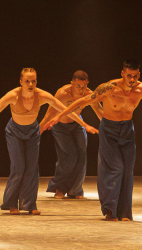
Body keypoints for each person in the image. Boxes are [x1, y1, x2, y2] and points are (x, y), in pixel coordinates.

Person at [42, 60, 142, 221]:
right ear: (122, 74)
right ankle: (110, 209)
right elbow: (84, 101)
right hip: (109, 130)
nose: (132, 80)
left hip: (127, 130)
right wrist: (58, 116)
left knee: (127, 171)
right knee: (114, 169)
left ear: (139, 75)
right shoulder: (109, 88)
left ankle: (125, 212)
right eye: (129, 76)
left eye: (135, 76)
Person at [0, 68, 98, 215]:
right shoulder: (13, 96)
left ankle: (29, 204)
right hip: (14, 133)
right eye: (27, 81)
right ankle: (11, 203)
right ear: (21, 82)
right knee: (19, 167)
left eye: (33, 81)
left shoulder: (42, 95)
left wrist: (85, 125)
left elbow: (66, 109)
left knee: (32, 168)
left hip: (32, 132)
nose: (31, 84)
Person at [41, 70, 103, 199]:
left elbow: (99, 111)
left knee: (81, 155)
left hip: (77, 125)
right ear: (72, 83)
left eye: (84, 86)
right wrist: (37, 133)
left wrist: (110, 127)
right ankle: (59, 188)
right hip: (60, 126)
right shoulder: (63, 93)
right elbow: (49, 114)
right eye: (78, 86)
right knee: (68, 156)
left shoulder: (89, 94)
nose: (81, 90)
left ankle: (76, 190)